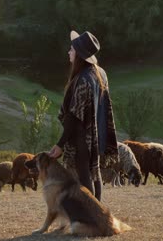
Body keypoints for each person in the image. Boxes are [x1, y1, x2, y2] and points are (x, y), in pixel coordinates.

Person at [48, 30, 119, 202]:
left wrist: (60, 145)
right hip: (97, 135)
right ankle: (99, 214)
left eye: (71, 49)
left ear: (79, 54)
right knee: (95, 174)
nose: (69, 52)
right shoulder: (100, 73)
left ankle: (93, 217)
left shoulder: (83, 80)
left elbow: (74, 116)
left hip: (83, 138)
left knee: (86, 177)